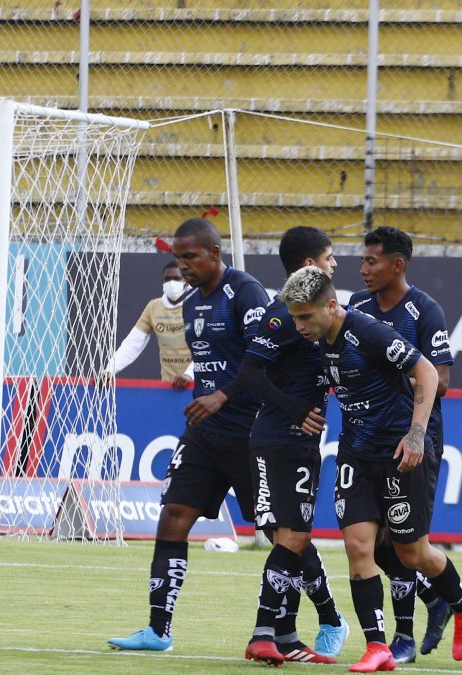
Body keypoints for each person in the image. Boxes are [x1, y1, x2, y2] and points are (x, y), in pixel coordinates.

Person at [283, 266, 462, 672]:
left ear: (332, 306)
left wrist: (416, 435)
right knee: (359, 547)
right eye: (295, 318)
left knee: (412, 553)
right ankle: (377, 647)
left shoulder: (367, 332)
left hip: (398, 453)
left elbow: (426, 371)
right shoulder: (315, 338)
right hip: (355, 454)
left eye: (306, 317)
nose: (300, 326)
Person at [184, 226, 349, 665]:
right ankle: (265, 632)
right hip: (284, 439)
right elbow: (251, 373)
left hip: (284, 439)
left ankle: (287, 638)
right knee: (292, 537)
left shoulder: (312, 313)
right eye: (331, 257)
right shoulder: (284, 316)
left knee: (288, 537)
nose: (336, 264)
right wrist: (295, 410)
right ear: (312, 263)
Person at [106, 218, 270, 652]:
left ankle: (330, 618)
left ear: (215, 253)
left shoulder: (246, 292)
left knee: (279, 531)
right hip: (203, 431)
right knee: (173, 515)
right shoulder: (194, 303)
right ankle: (158, 630)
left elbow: (263, 362)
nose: (182, 267)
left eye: (190, 257)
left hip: (251, 432)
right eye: (177, 258)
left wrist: (222, 396)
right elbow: (212, 360)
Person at [347, 227, 454, 663]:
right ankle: (437, 597)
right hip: (365, 438)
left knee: (401, 540)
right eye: (362, 261)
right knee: (371, 541)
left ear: (397, 264)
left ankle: (406, 633)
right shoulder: (355, 306)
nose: (363, 269)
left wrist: (390, 371)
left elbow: (441, 380)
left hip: (413, 437)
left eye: (372, 261)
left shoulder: (425, 311)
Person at [102, 261, 193, 388]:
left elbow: (208, 347)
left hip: (198, 385)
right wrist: (109, 370)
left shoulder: (198, 303)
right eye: (167, 279)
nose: (172, 283)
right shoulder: (154, 307)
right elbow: (132, 343)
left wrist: (189, 375)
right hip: (169, 386)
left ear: (187, 280)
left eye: (177, 279)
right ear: (162, 282)